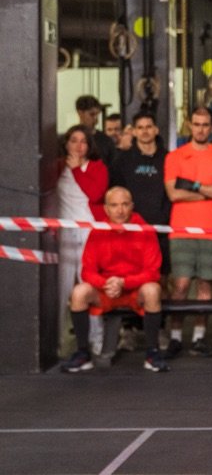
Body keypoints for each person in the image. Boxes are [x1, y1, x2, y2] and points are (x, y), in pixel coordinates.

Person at [60, 186, 168, 374]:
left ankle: (152, 353)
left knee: (153, 290)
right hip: (107, 290)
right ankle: (82, 353)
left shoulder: (144, 229)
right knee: (79, 293)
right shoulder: (98, 230)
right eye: (114, 205)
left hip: (135, 289)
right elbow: (87, 271)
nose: (120, 210)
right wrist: (106, 284)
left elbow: (153, 272)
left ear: (132, 206)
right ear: (106, 209)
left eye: (125, 204)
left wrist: (124, 283)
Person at [164, 105, 212, 358]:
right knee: (181, 285)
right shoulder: (175, 156)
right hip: (181, 230)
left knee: (205, 285)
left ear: (211, 127)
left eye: (205, 125)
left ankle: (199, 337)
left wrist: (192, 186)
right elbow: (174, 194)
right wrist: (209, 190)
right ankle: (175, 337)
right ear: (189, 125)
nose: (201, 129)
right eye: (196, 124)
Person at [56, 125, 109, 350]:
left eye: (83, 141)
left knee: (90, 284)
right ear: (66, 143)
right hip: (63, 230)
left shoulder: (97, 167)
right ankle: (55, 341)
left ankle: (96, 340)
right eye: (73, 140)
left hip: (90, 230)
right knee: (61, 288)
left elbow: (96, 195)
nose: (78, 146)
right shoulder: (57, 167)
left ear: (89, 145)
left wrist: (78, 169)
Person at [110, 111, 171, 284]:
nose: (145, 131)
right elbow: (114, 193)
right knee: (132, 280)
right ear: (134, 132)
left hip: (162, 231)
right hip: (132, 231)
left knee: (162, 281)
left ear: (156, 130)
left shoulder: (169, 159)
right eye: (140, 127)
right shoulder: (122, 161)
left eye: (149, 127)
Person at [75, 95, 116, 168]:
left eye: (97, 115)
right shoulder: (70, 139)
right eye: (92, 114)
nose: (96, 120)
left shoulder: (106, 141)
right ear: (80, 113)